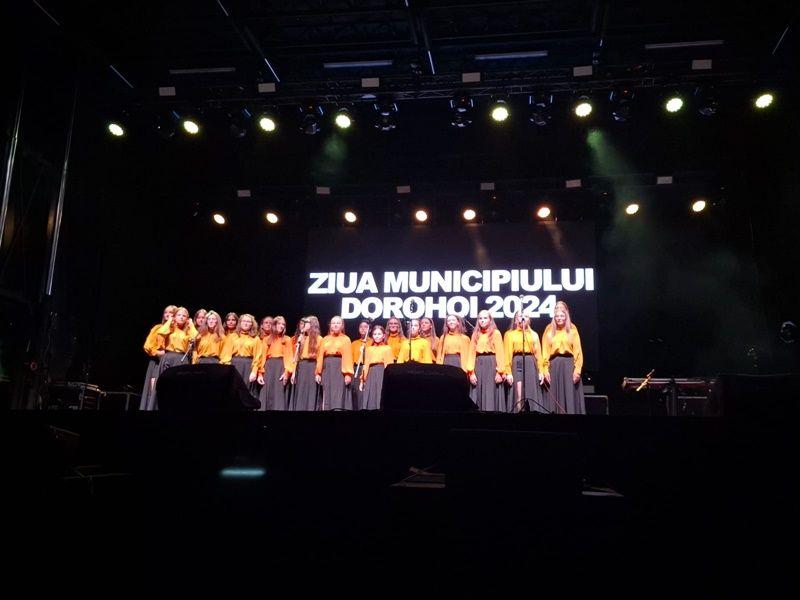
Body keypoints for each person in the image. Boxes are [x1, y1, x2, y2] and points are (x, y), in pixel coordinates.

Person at [541, 301, 585, 414]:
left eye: (562, 314)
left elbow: (578, 352)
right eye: (557, 314)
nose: (559, 317)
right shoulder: (549, 330)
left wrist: (577, 370)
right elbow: (545, 351)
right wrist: (545, 370)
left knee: (570, 395)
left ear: (566, 314)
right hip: (554, 365)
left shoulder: (572, 330)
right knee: (554, 396)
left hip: (569, 365)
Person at [503, 311, 545, 413]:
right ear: (516, 319)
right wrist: (508, 372)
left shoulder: (533, 334)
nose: (523, 318)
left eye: (526, 316)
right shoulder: (510, 334)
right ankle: (518, 411)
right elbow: (507, 354)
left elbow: (538, 354)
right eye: (520, 316)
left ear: (529, 320)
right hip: (517, 361)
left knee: (531, 390)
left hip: (530, 362)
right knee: (519, 391)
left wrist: (541, 371)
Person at [467, 310, 506, 411]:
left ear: (490, 320)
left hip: (491, 364)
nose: (482, 320)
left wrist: (500, 372)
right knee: (478, 391)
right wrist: (471, 372)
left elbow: (500, 353)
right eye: (480, 318)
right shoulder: (475, 334)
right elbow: (471, 353)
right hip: (478, 364)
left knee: (491, 391)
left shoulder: (496, 333)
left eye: (485, 318)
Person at [140, 305, 176, 411]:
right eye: (166, 312)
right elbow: (147, 346)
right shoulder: (157, 328)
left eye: (171, 313)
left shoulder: (178, 331)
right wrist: (157, 353)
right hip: (157, 362)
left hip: (171, 362)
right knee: (154, 391)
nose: (168, 314)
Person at [315, 316, 353, 410]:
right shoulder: (325, 339)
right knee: (326, 393)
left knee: (338, 393)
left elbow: (348, 357)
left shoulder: (346, 339)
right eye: (333, 323)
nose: (335, 325)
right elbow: (320, 356)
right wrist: (318, 373)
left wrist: (348, 374)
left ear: (342, 325)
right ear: (330, 325)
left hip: (339, 367)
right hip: (327, 367)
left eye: (338, 323)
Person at [220, 313, 261, 399]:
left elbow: (257, 357)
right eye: (244, 321)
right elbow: (226, 354)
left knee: (246, 391)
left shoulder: (256, 339)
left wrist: (254, 371)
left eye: (248, 322)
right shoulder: (232, 336)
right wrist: (227, 369)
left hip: (248, 366)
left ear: (252, 324)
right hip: (234, 365)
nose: (246, 323)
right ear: (240, 323)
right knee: (233, 390)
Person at [256, 316, 292, 410]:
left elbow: (289, 357)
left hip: (280, 367)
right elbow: (262, 357)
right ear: (274, 325)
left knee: (279, 394)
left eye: (283, 324)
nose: (281, 326)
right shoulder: (266, 339)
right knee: (266, 392)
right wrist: (260, 374)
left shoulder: (287, 339)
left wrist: (287, 373)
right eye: (279, 324)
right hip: (269, 367)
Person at [288, 316, 322, 411]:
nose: (305, 325)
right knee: (300, 391)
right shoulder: (301, 338)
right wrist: (294, 372)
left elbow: (320, 358)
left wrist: (318, 373)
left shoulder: (319, 339)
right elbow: (296, 357)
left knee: (311, 392)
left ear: (312, 325)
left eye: (307, 323)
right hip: (301, 367)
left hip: (312, 366)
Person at [360, 325, 394, 410]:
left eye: (379, 334)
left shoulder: (387, 348)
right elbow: (366, 365)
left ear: (383, 336)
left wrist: (390, 380)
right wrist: (362, 380)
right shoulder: (369, 349)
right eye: (375, 334)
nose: (377, 336)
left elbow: (390, 365)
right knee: (370, 395)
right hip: (371, 374)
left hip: (382, 373)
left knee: (380, 394)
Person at [351, 319, 372, 410]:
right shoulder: (354, 343)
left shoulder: (372, 342)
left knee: (366, 393)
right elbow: (351, 359)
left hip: (368, 369)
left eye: (365, 327)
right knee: (357, 393)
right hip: (357, 369)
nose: (363, 328)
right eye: (361, 327)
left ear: (369, 329)